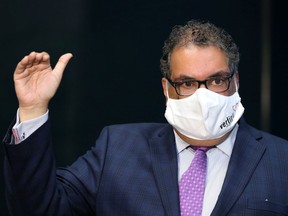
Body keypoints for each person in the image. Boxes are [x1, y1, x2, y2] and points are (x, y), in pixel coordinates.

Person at [3, 19, 288, 216]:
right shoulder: (118, 149)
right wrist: (32, 110)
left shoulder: (281, 160)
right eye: (187, 84)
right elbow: (38, 209)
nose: (204, 96)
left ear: (235, 81)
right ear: (167, 89)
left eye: (216, 81)